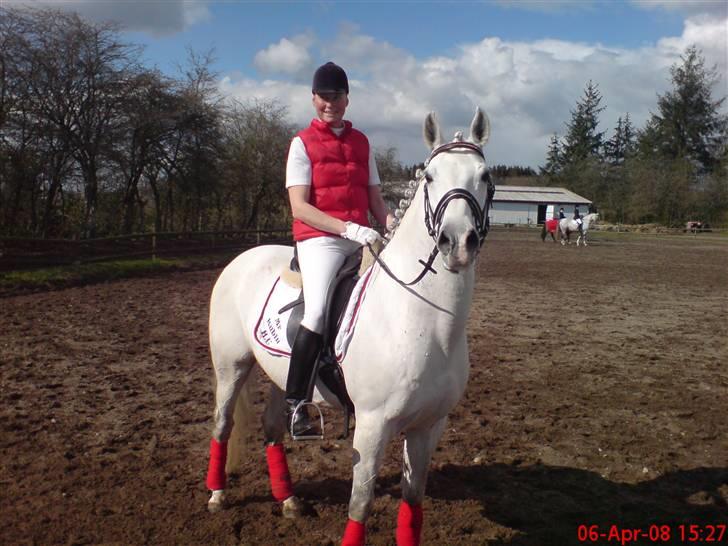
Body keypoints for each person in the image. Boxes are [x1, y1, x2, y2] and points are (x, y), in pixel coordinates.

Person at [284, 61, 395, 437]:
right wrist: (348, 228)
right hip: (321, 239)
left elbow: (375, 197)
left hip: (361, 234)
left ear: (348, 99)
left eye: (337, 96)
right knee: (315, 311)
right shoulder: (301, 144)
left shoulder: (362, 142)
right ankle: (297, 404)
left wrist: (391, 222)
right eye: (324, 96)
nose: (330, 102)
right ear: (313, 98)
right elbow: (299, 207)